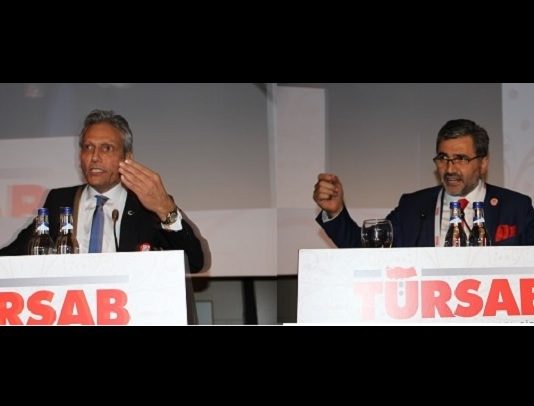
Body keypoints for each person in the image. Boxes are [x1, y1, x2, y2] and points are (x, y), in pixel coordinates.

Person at [0, 109, 204, 273]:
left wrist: (165, 209)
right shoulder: (59, 200)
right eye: (88, 147)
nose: (95, 157)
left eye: (106, 148)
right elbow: (14, 255)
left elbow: (195, 262)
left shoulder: (145, 204)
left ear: (127, 157)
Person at [313, 118, 534, 247]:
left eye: (460, 159)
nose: (449, 169)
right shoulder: (413, 207)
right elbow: (366, 248)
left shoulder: (515, 207)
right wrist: (335, 212)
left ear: (483, 163)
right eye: (443, 158)